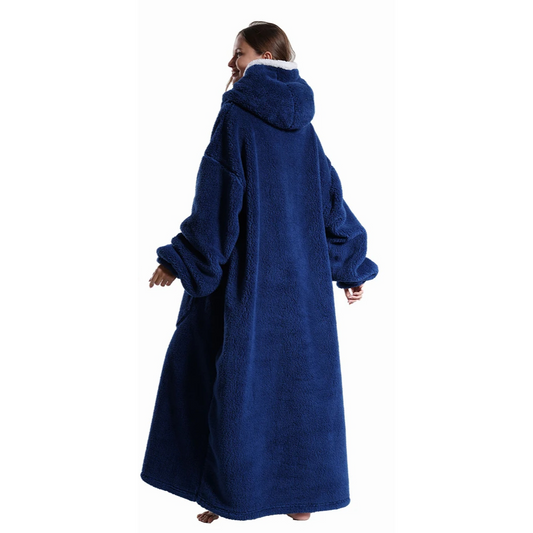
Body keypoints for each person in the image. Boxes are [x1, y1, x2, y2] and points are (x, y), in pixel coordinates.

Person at [140, 21, 379, 524]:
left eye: (240, 53)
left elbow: (217, 203)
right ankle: (301, 501)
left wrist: (178, 260)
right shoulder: (306, 130)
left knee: (228, 384)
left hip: (248, 282)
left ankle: (230, 495)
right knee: (299, 389)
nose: (232, 63)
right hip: (303, 291)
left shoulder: (236, 118)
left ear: (266, 58)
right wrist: (350, 266)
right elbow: (332, 204)